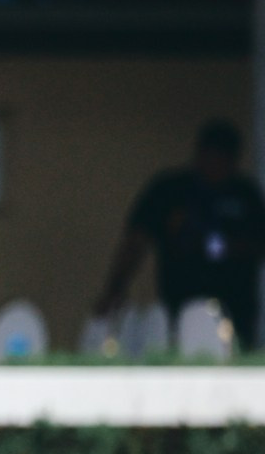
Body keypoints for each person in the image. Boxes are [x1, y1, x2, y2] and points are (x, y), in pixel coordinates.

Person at [93, 119, 265, 348]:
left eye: (220, 160)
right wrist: (115, 289)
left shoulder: (245, 195)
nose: (213, 166)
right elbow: (135, 243)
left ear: (233, 161)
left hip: (235, 311)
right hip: (178, 308)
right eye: (209, 157)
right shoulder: (171, 191)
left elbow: (258, 243)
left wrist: (214, 245)